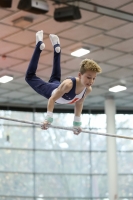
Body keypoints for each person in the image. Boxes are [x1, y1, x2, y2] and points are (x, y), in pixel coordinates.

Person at [25, 30, 102, 135]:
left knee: (55, 78)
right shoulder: (68, 84)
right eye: (88, 77)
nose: (91, 81)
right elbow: (52, 99)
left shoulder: (87, 89)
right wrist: (49, 119)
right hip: (51, 91)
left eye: (94, 78)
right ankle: (39, 46)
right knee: (29, 77)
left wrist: (77, 124)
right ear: (79, 75)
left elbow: (79, 103)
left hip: (59, 88)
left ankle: (57, 49)